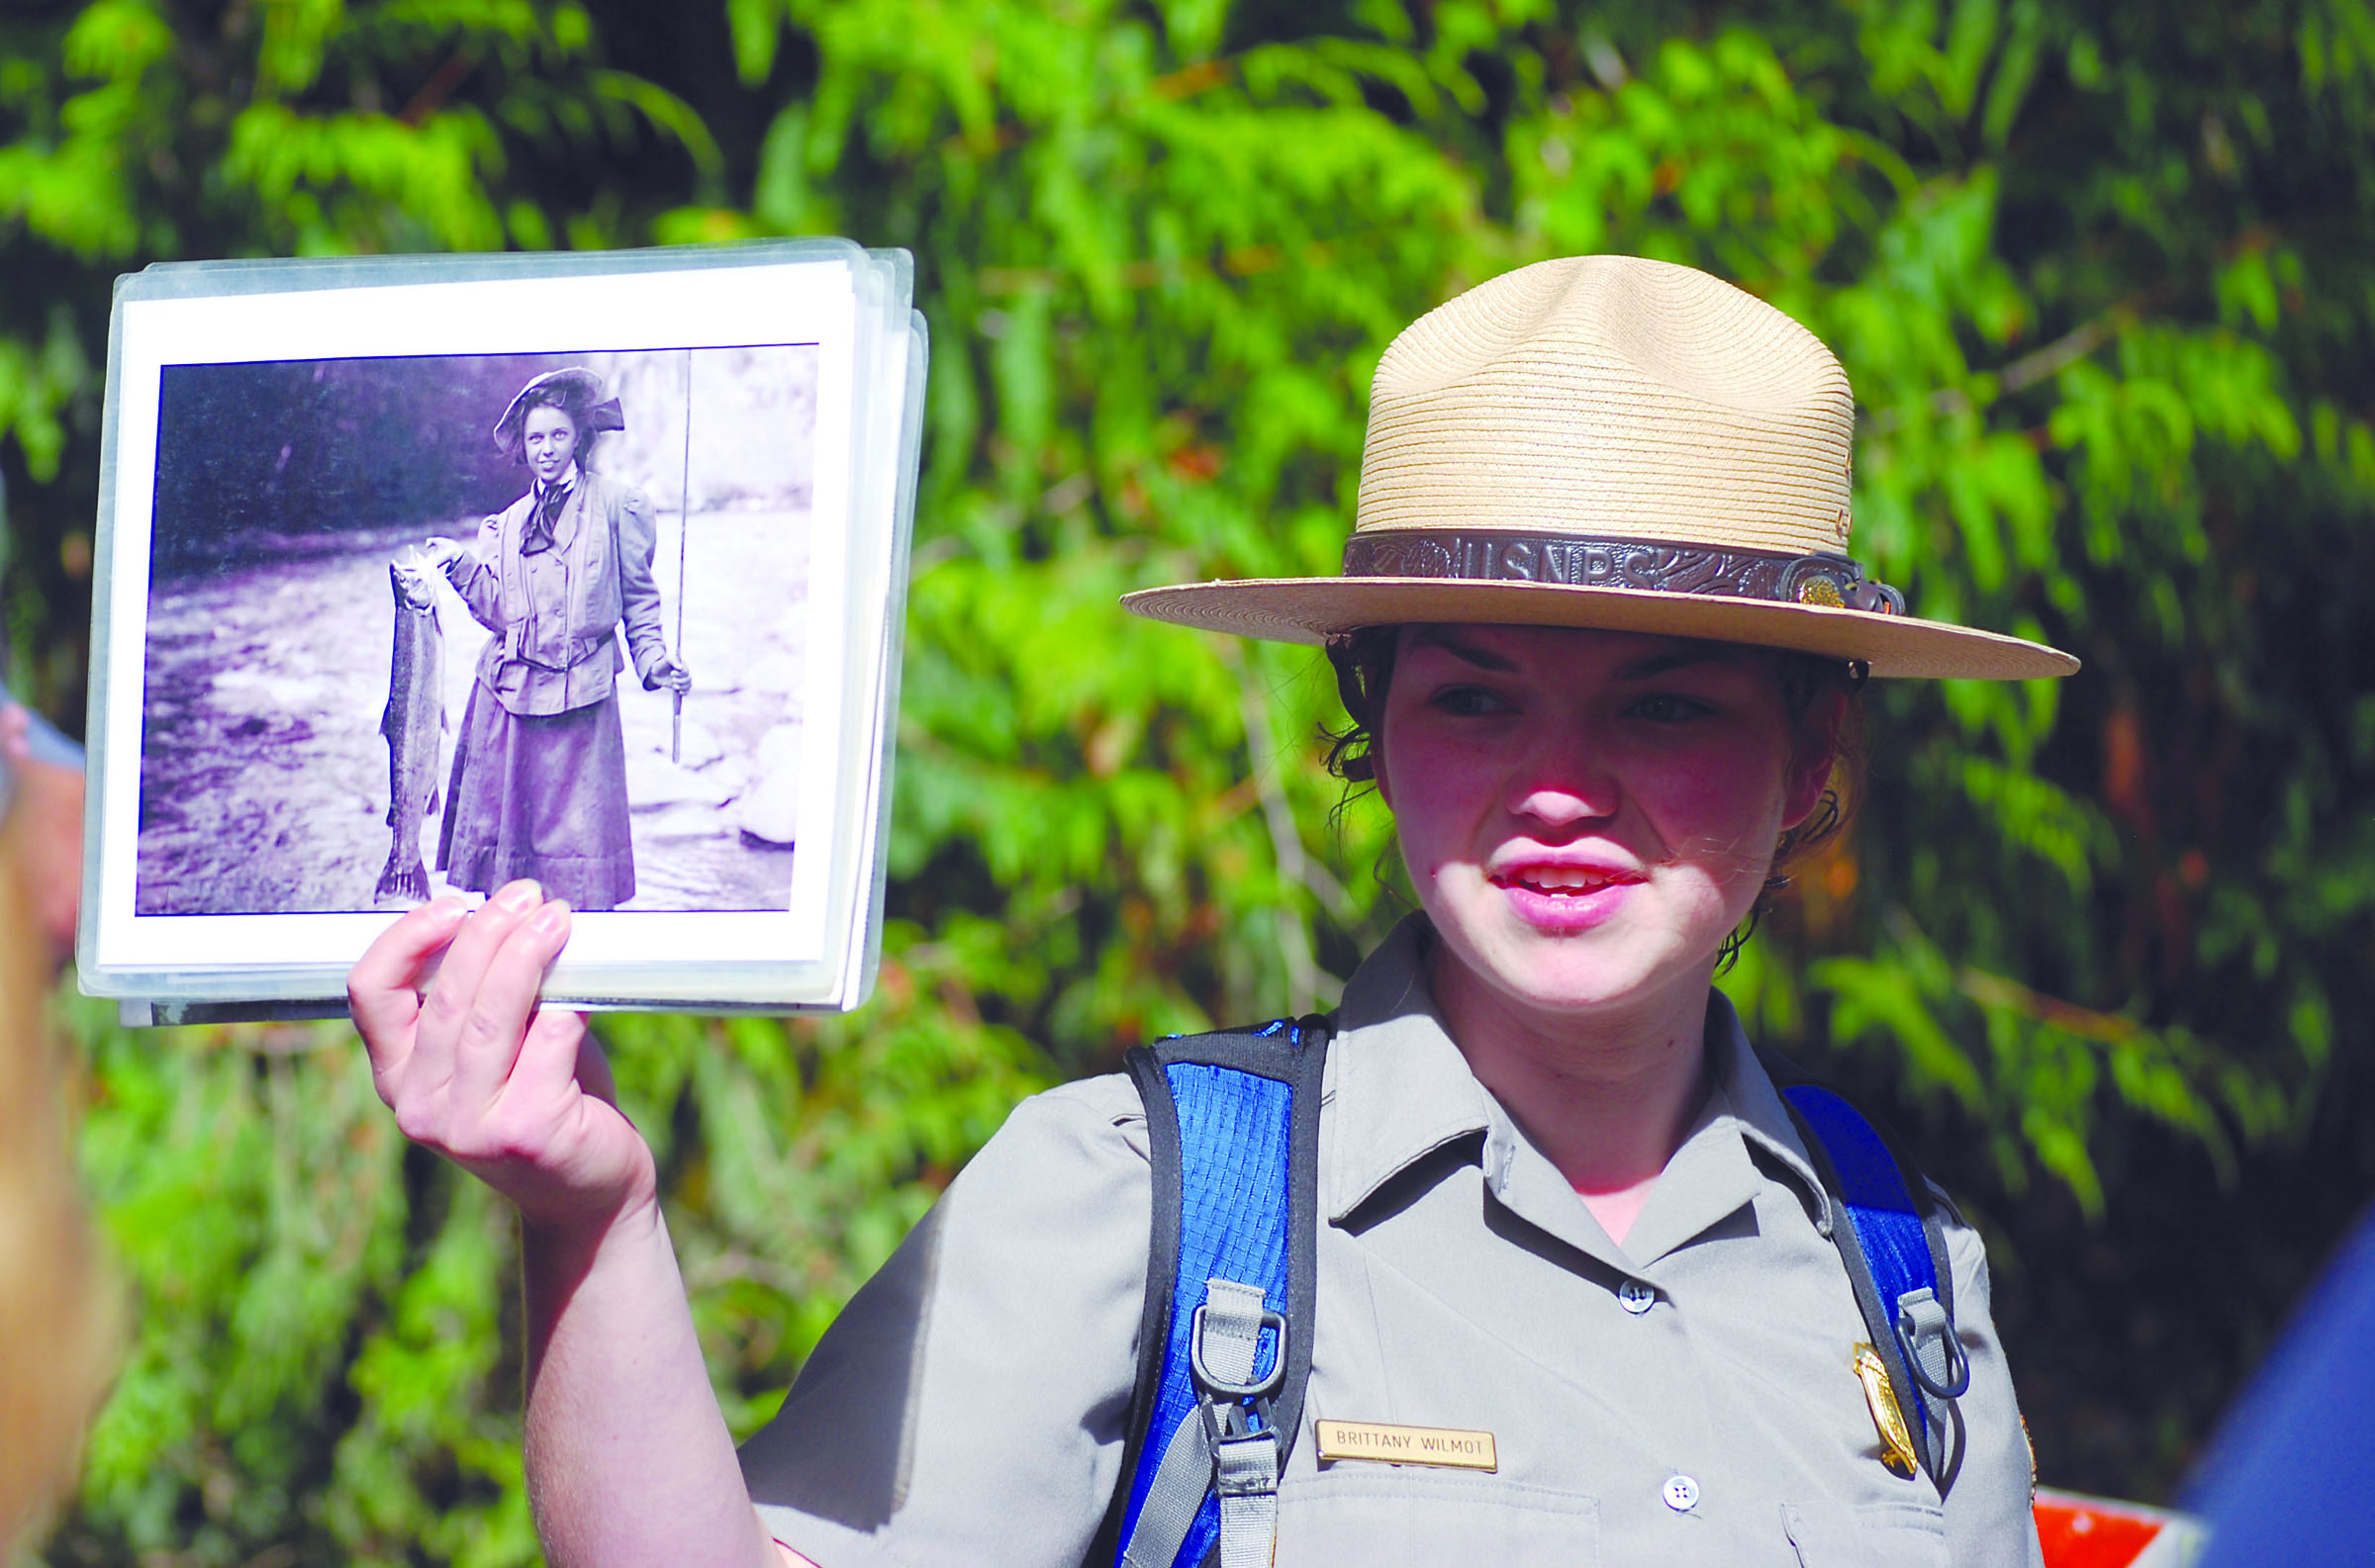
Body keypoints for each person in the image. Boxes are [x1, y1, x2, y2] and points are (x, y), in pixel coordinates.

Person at [350, 256, 2072, 1565]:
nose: (1561, 784)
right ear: (1374, 736)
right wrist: (593, 1220)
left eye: (1666, 706)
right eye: (1474, 700)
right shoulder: (1143, 1201)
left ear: (1809, 755)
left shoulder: (1904, 1277)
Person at [423, 367, 692, 912]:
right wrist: (459, 566)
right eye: (535, 438)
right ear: (523, 447)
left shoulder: (620, 507)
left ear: (580, 441)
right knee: (511, 866)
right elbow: (500, 612)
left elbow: (638, 598)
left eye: (558, 436)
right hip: (507, 703)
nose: (546, 449)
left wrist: (655, 659)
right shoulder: (503, 526)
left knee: (582, 857)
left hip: (584, 701)